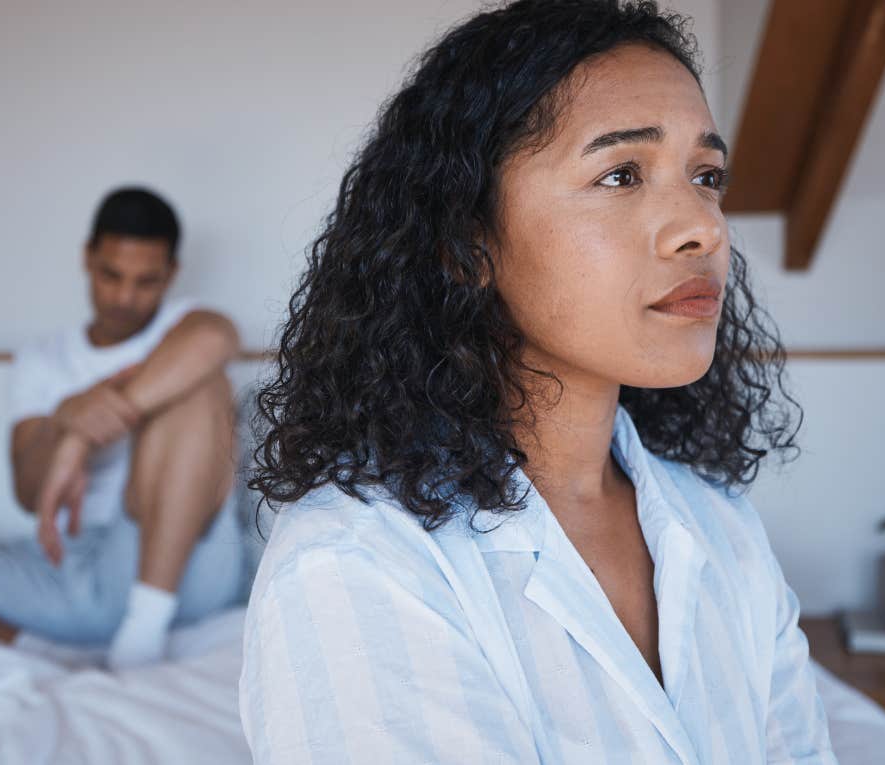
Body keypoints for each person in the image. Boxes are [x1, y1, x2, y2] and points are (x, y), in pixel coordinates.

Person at [241, 1, 836, 763]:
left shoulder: (721, 526)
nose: (706, 227)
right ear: (466, 243)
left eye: (707, 175)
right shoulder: (354, 562)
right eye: (621, 173)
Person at [0, 188, 248, 670]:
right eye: (111, 275)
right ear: (88, 258)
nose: (124, 297)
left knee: (200, 386)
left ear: (172, 274)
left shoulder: (185, 327)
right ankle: (39, 651)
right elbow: (31, 495)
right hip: (72, 570)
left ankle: (144, 626)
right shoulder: (43, 360)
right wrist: (64, 421)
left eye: (146, 281)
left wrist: (84, 435)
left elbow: (217, 337)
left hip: (184, 571)